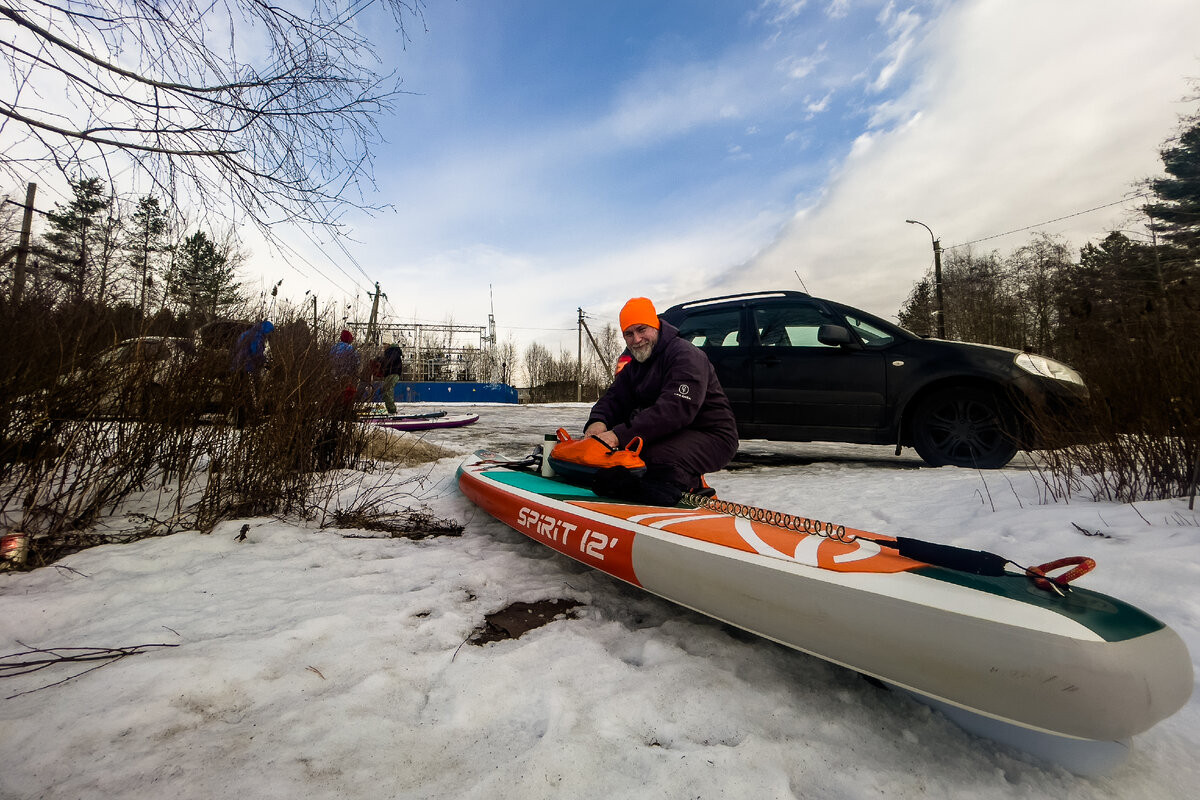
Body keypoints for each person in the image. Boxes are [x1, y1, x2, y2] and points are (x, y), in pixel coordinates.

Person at [583, 296, 738, 505]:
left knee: (652, 457)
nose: (636, 339)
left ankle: (684, 495)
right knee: (623, 455)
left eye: (641, 329)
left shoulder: (685, 355)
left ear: (655, 326)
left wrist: (617, 434)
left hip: (713, 436)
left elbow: (675, 410)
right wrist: (597, 422)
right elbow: (614, 398)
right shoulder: (636, 365)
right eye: (629, 334)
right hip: (675, 433)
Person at [330, 329, 360, 408]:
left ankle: (335, 407)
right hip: (347, 373)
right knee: (348, 391)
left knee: (336, 391)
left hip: (334, 374)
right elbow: (356, 361)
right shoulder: (350, 348)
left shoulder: (334, 348)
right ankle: (346, 408)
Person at [377, 341, 404, 414]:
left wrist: (379, 360)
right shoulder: (391, 352)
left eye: (385, 344)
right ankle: (390, 409)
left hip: (392, 373)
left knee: (388, 391)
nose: (384, 346)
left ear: (389, 344)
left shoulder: (392, 351)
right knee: (386, 391)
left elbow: (388, 360)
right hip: (391, 373)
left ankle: (392, 410)